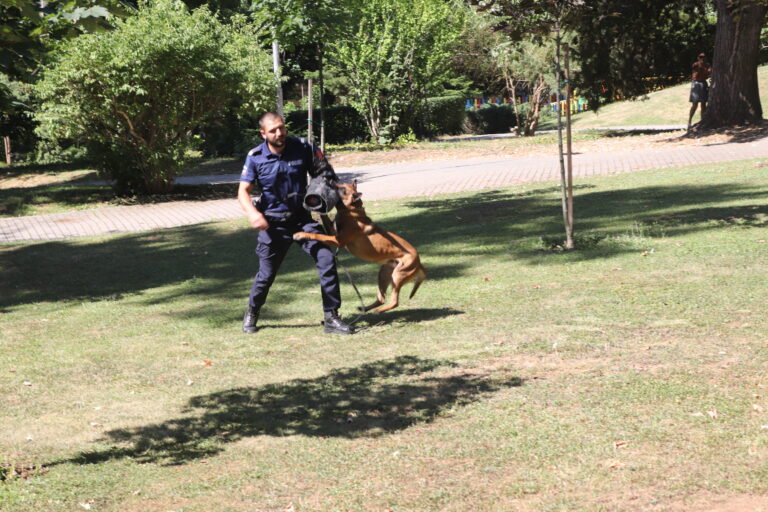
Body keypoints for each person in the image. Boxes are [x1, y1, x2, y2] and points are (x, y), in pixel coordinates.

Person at [237, 112, 353, 335]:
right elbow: (243, 191)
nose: (279, 133)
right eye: (273, 130)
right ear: (263, 134)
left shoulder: (302, 147)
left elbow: (326, 176)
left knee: (326, 258)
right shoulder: (255, 157)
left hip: (302, 221)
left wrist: (336, 208)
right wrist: (252, 214)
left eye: (282, 128)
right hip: (272, 225)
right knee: (266, 275)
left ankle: (331, 317)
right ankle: (252, 310)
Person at [688, 52, 712, 130]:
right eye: (700, 57)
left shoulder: (708, 65)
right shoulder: (696, 64)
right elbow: (695, 70)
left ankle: (702, 121)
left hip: (703, 83)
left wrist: (710, 71)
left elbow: (709, 73)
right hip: (696, 83)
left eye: (704, 57)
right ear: (698, 58)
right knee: (695, 104)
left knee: (703, 104)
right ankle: (689, 121)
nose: (702, 58)